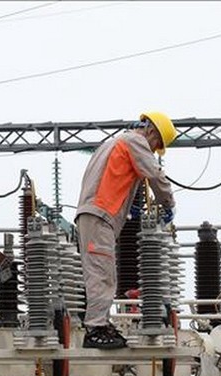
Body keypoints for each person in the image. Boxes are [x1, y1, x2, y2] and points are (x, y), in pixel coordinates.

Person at [75, 112, 177, 349]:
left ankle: (99, 323)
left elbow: (111, 179)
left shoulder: (114, 143)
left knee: (101, 271)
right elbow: (154, 174)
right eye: (157, 145)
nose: (154, 150)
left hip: (95, 214)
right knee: (103, 274)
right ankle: (96, 329)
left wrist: (129, 207)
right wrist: (169, 203)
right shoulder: (136, 142)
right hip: (100, 216)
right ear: (152, 132)